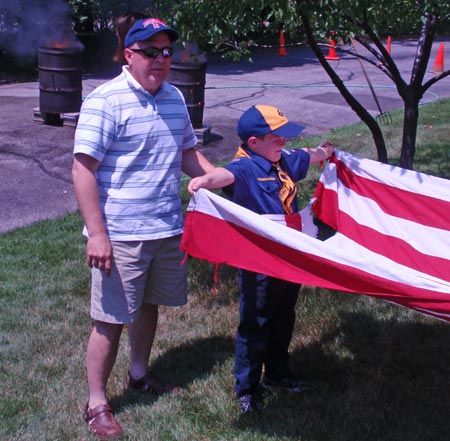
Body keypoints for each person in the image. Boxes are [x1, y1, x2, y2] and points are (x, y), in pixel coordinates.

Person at [72, 17, 215, 438]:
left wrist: (219, 177)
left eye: (167, 51)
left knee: (148, 306)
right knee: (110, 318)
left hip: (165, 226)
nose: (161, 59)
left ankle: (138, 374)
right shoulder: (106, 100)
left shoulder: (174, 97)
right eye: (150, 52)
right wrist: (97, 234)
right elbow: (82, 171)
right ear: (130, 55)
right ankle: (96, 402)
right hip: (121, 233)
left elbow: (188, 155)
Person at [187, 104, 334, 413]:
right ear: (254, 143)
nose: (284, 143)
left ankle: (278, 375)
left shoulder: (283, 160)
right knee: (256, 321)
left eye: (284, 138)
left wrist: (326, 151)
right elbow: (222, 175)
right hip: (259, 262)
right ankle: (248, 388)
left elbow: (307, 154)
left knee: (284, 316)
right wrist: (203, 182)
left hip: (289, 256)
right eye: (276, 138)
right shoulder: (245, 167)